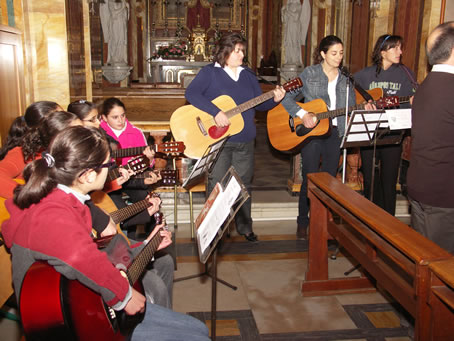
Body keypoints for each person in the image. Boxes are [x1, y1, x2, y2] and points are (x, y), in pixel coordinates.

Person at [2, 126, 210, 341]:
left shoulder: (70, 200)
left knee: (199, 330)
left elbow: (99, 253)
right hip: (78, 324)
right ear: (89, 175)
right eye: (108, 164)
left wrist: (146, 245)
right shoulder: (53, 213)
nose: (112, 168)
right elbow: (81, 258)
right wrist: (125, 296)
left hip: (92, 300)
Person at [69, 99, 174, 308]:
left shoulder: (86, 199)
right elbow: (86, 261)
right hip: (98, 266)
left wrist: (143, 211)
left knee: (166, 261)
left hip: (106, 229)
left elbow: (107, 216)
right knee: (157, 283)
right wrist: (122, 298)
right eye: (106, 164)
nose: (98, 123)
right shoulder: (66, 205)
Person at [185, 32, 286, 242]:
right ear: (225, 51)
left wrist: (275, 99)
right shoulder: (210, 73)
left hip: (245, 140)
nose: (242, 55)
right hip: (219, 141)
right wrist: (215, 112)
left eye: (242, 51)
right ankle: (213, 229)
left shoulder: (248, 75)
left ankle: (244, 226)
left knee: (243, 185)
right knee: (217, 185)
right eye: (238, 50)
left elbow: (259, 103)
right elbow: (192, 94)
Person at [281, 35, 369, 239]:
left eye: (341, 53)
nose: (339, 57)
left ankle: (322, 222)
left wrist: (358, 112)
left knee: (329, 181)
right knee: (310, 178)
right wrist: (303, 114)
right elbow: (287, 97)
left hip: (335, 134)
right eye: (334, 53)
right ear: (322, 54)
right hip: (312, 134)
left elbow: (349, 107)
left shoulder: (347, 79)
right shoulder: (309, 73)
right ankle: (303, 221)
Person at [354, 34, 416, 216]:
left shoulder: (406, 74)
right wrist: (362, 104)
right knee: (370, 182)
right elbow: (350, 92)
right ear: (382, 52)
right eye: (395, 48)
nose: (400, 52)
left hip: (393, 134)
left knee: (389, 182)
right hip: (370, 133)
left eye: (400, 48)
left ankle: (388, 221)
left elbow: (411, 100)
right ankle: (369, 217)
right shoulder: (365, 75)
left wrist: (413, 102)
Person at [407, 21, 454, 253]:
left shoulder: (424, 86)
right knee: (442, 272)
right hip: (444, 195)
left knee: (423, 261)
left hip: (420, 185)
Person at [99, 97, 160, 239]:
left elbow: (148, 166)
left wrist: (149, 159)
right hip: (107, 182)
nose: (120, 120)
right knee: (121, 209)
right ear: (104, 118)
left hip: (132, 179)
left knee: (147, 199)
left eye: (123, 115)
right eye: (115, 117)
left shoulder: (136, 132)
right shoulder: (98, 133)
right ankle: (127, 240)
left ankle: (152, 240)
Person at [0, 110, 81, 199]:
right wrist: (32, 198)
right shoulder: (23, 154)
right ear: (57, 137)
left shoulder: (76, 155)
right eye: (77, 133)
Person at [281, 0, 311, 66]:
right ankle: (289, 59)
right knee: (288, 42)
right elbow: (284, 19)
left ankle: (295, 60)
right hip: (288, 27)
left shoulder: (298, 5)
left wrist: (287, 12)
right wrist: (283, 12)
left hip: (295, 27)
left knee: (294, 42)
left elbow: (296, 17)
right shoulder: (288, 5)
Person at [100, 0, 129, 65]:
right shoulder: (111, 1)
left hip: (121, 23)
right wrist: (123, 7)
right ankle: (114, 58)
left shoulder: (122, 1)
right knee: (115, 40)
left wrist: (126, 8)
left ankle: (120, 58)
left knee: (121, 40)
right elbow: (113, 13)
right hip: (114, 23)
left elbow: (127, 15)